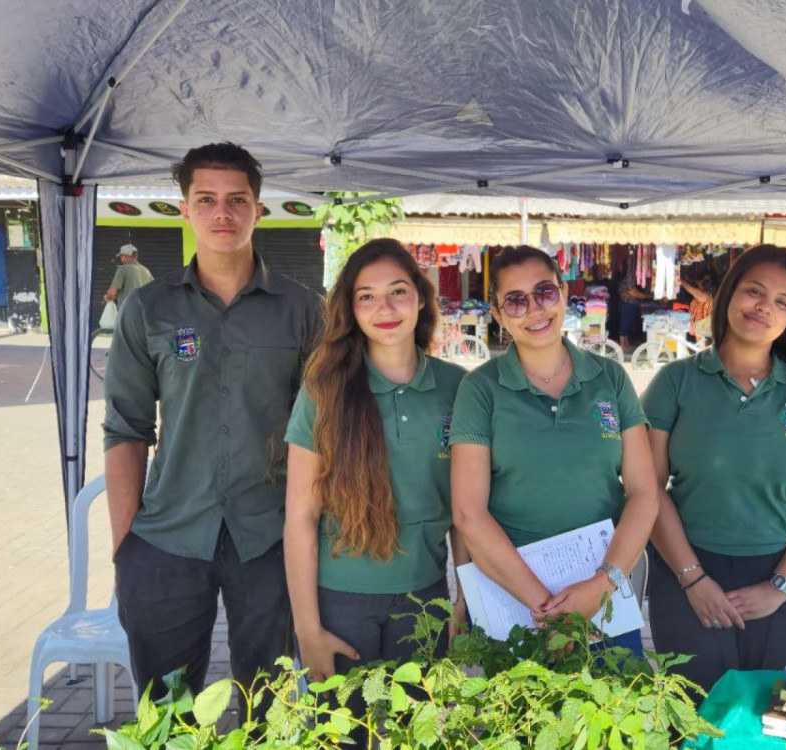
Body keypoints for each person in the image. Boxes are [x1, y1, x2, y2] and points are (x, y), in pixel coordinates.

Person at [103, 142, 322, 708]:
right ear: (185, 209)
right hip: (168, 535)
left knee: (267, 708)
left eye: (236, 200)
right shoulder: (149, 308)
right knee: (167, 714)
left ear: (258, 207)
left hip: (270, 537)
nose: (222, 213)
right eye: (206, 199)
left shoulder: (301, 310)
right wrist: (125, 546)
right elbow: (126, 427)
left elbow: (323, 433)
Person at [643, 245, 786, 693]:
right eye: (754, 292)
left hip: (778, 576)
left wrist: (779, 587)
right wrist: (692, 578)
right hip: (687, 572)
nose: (764, 308)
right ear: (729, 295)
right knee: (692, 718)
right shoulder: (675, 383)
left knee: (760, 719)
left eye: (782, 302)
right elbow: (646, 488)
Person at [450, 245, 659, 653]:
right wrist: (548, 610)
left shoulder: (610, 379)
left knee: (612, 713)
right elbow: (467, 513)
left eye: (544, 292)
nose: (534, 309)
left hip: (603, 596)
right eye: (515, 301)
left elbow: (644, 492)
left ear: (563, 294)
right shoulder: (480, 389)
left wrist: (601, 586)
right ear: (496, 314)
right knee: (522, 717)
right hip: (514, 601)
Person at [284, 238, 467, 686]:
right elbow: (300, 517)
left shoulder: (459, 388)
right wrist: (307, 630)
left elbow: (467, 513)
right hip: (340, 603)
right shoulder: (323, 389)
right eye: (367, 296)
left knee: (418, 733)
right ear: (351, 308)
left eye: (398, 291)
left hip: (426, 598)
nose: (384, 307)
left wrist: (466, 601)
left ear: (421, 298)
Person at [618, 274, 652, 351]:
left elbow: (635, 294)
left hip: (630, 306)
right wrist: (650, 296)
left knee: (627, 325)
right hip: (626, 306)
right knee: (624, 325)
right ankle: (622, 346)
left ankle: (626, 344)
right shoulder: (627, 283)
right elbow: (637, 294)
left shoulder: (629, 283)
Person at [679, 273, 713, 342]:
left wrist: (680, 280)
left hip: (697, 328)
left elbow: (690, 289)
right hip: (693, 326)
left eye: (700, 282)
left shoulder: (704, 296)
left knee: (699, 344)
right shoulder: (705, 296)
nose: (697, 283)